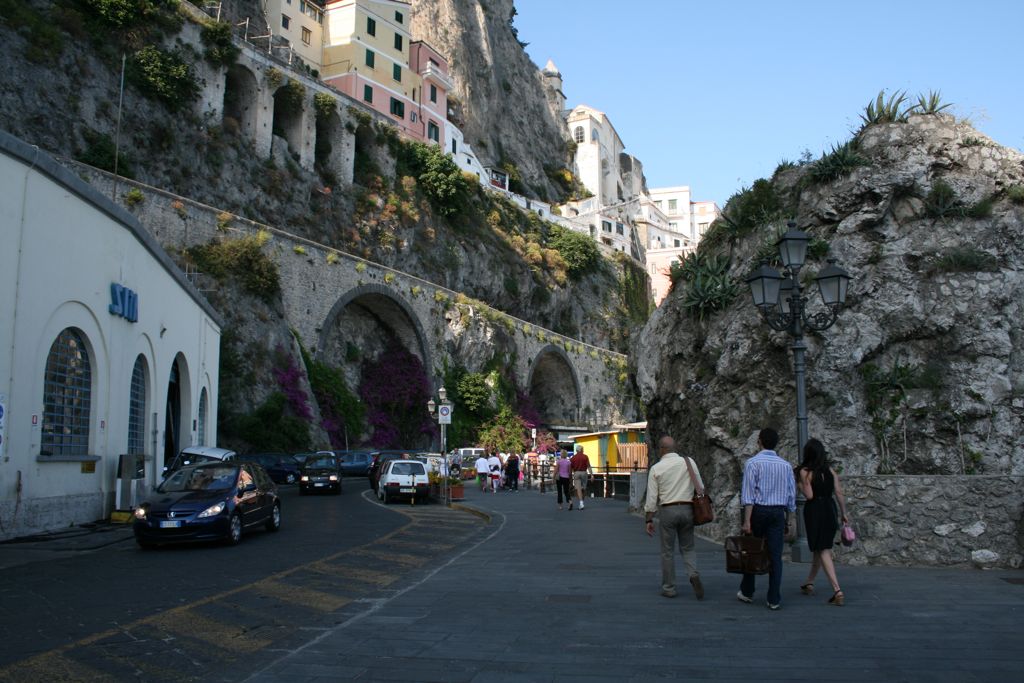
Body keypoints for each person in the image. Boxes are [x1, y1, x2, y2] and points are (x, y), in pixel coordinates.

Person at [737, 427, 796, 610]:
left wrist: (747, 522)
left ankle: (747, 591)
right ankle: (774, 598)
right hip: (778, 512)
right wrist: (790, 518)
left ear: (759, 441)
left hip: (759, 511)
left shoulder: (753, 463)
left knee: (752, 549)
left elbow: (748, 495)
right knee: (775, 555)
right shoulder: (785, 465)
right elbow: (790, 495)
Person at [644, 436, 705, 599]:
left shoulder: (657, 468)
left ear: (662, 449)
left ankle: (669, 587)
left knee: (667, 551)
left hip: (668, 510)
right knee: (688, 547)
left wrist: (649, 519)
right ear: (675, 448)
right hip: (687, 509)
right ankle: (693, 574)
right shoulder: (689, 462)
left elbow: (651, 499)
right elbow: (701, 487)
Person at [796, 438, 849, 606]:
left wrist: (800, 485)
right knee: (820, 547)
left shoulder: (805, 472)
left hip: (815, 510)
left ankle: (837, 590)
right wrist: (843, 513)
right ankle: (809, 582)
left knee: (823, 549)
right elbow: (839, 493)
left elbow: (809, 495)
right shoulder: (830, 471)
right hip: (830, 508)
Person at [569, 444, 593, 510]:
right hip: (584, 473)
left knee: (578, 489)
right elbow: (588, 466)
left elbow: (570, 469)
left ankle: (581, 503)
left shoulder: (573, 458)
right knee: (584, 488)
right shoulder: (585, 457)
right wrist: (591, 475)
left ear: (576, 450)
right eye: (583, 449)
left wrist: (570, 477)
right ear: (581, 450)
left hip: (576, 473)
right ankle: (582, 502)